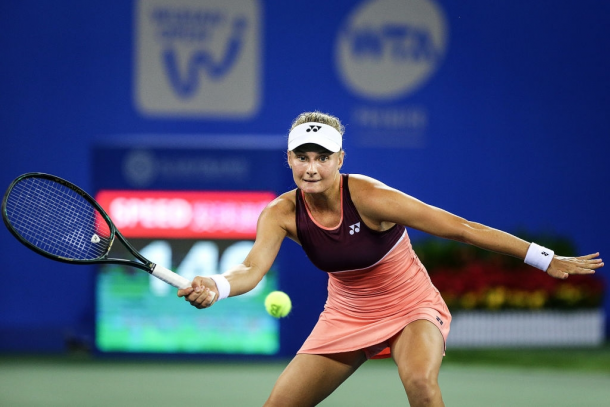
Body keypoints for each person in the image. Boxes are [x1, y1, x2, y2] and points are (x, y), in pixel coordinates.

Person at [177, 111, 603, 407]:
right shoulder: (280, 213)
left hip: (410, 307)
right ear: (289, 159)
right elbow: (252, 268)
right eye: (302, 157)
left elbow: (459, 227)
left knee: (420, 383)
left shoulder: (371, 198)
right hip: (345, 315)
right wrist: (218, 285)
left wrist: (544, 258)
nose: (311, 168)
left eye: (322, 157)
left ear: (340, 160)